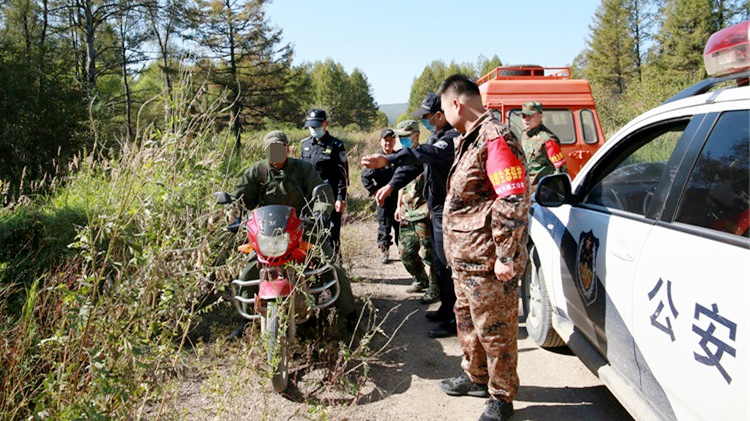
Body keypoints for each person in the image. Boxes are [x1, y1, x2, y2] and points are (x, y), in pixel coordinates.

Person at [436, 75, 530, 421]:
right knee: (468, 322)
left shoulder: (495, 137)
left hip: (489, 260)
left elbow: (512, 198)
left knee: (496, 330)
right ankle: (476, 377)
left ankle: (501, 397)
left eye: (444, 108)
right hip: (467, 259)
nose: (444, 114)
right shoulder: (469, 138)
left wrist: (506, 254)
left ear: (456, 104)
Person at [228, 130, 356, 338]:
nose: (276, 153)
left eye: (280, 148)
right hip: (266, 234)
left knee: (329, 264)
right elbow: (239, 198)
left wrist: (321, 213)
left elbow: (322, 193)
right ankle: (247, 320)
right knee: (249, 270)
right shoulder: (256, 171)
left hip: (301, 228)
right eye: (272, 149)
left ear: (288, 148)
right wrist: (234, 216)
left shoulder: (304, 169)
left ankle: (348, 315)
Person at [361, 92, 459, 338]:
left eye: (426, 117)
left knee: (446, 266)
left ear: (439, 115)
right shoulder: (437, 135)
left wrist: (388, 159)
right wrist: (392, 186)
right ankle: (447, 309)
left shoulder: (450, 138)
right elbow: (414, 165)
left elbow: (422, 154)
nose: (425, 121)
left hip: (445, 209)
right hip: (437, 210)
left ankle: (455, 319)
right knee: (439, 263)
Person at [391, 120, 438, 304]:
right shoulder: (403, 156)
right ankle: (421, 280)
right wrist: (398, 206)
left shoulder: (427, 155)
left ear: (416, 135)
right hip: (407, 212)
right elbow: (401, 184)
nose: (401, 141)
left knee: (429, 254)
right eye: (399, 137)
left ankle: (435, 288)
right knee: (406, 252)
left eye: (405, 137)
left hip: (424, 213)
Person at [299, 109, 349, 257]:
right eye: (311, 127)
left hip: (329, 196)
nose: (314, 130)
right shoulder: (305, 144)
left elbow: (342, 175)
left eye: (317, 126)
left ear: (325, 124)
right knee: (310, 232)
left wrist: (341, 198)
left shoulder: (336, 145)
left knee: (332, 233)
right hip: (309, 198)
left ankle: (335, 265)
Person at [361, 129, 399, 264]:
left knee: (401, 227)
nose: (388, 142)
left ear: (395, 141)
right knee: (384, 227)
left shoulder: (398, 158)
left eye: (391, 139)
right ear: (380, 142)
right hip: (383, 200)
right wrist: (376, 192)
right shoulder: (376, 159)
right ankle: (385, 252)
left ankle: (403, 252)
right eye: (385, 140)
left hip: (399, 200)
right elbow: (365, 178)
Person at [520, 100, 568, 195]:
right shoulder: (524, 135)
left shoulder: (547, 139)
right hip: (526, 189)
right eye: (524, 116)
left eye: (530, 116)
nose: (526, 119)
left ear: (540, 116)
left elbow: (560, 169)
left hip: (541, 191)